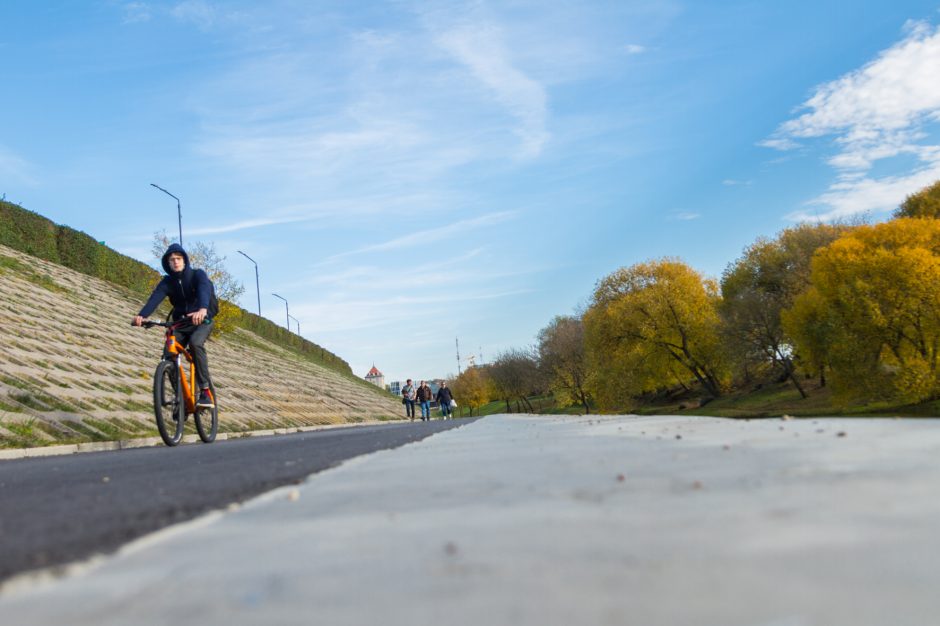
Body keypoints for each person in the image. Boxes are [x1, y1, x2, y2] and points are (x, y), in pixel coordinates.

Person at [133, 243, 216, 408]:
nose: (175, 262)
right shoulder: (167, 282)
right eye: (172, 260)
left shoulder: (197, 275)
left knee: (195, 343)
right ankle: (181, 398)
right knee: (168, 354)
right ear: (168, 263)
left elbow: (204, 290)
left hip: (201, 320)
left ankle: (205, 391)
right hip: (181, 322)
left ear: (184, 260)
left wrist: (202, 309)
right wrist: (142, 315)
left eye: (178, 258)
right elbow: (155, 298)